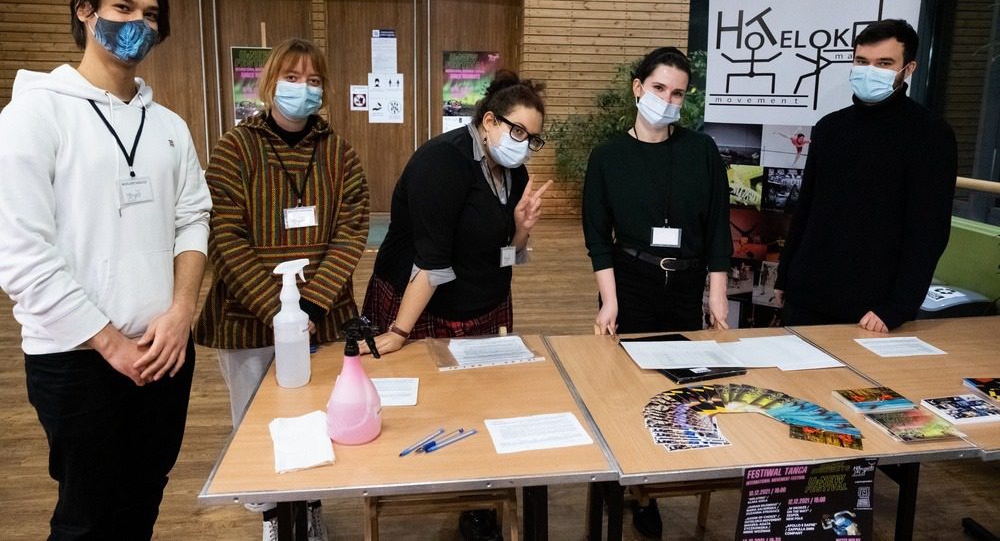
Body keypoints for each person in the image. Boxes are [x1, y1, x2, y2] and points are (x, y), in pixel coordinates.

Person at [0, 0, 212, 540]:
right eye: (123, 7)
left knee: (143, 500)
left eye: (151, 14)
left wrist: (181, 311)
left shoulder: (169, 126)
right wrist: (110, 342)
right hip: (76, 358)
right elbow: (21, 254)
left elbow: (193, 218)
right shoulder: (32, 116)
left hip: (164, 351)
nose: (137, 23)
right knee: (86, 519)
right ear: (85, 10)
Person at [360, 70, 551, 541]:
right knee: (428, 406)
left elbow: (507, 251)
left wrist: (522, 228)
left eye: (533, 139)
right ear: (490, 121)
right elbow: (431, 261)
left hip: (485, 301)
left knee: (484, 402)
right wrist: (398, 331)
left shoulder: (514, 172)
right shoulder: (441, 162)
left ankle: (477, 500)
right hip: (422, 302)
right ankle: (423, 481)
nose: (524, 146)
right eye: (518, 131)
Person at [194, 38, 370, 541]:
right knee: (258, 419)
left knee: (318, 412)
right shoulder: (235, 148)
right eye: (292, 78)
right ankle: (273, 513)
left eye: (313, 80)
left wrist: (308, 305)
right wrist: (279, 310)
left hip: (323, 313)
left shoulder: (338, 153)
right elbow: (223, 235)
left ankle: (311, 502)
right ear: (270, 83)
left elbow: (352, 229)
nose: (303, 88)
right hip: (248, 317)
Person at [581, 46, 732, 539]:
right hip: (630, 282)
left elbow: (718, 230)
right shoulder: (607, 157)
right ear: (638, 87)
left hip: (685, 285)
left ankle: (657, 484)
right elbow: (597, 237)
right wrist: (610, 300)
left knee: (676, 391)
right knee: (627, 390)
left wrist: (716, 295)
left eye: (678, 94)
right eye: (659, 88)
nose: (668, 100)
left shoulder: (701, 151)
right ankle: (629, 482)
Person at [775, 19, 957, 332]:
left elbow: (929, 232)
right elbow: (806, 209)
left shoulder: (931, 134)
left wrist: (898, 306)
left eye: (884, 63)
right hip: (805, 295)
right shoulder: (830, 127)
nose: (869, 71)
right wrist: (785, 276)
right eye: (862, 61)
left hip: (873, 310)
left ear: (908, 69)